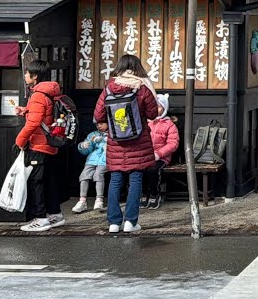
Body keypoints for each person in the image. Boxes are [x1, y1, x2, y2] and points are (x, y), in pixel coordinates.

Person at [95, 54, 161, 234]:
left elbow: (98, 114)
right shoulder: (142, 88)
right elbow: (153, 113)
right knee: (135, 179)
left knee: (115, 180)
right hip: (138, 140)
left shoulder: (109, 88)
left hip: (116, 141)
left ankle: (113, 223)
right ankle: (130, 222)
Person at [16, 60, 68, 232]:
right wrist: (25, 110)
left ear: (35, 76)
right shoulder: (50, 91)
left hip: (39, 145)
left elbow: (34, 123)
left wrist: (20, 141)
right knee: (50, 181)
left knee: (36, 182)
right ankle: (55, 215)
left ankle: (40, 218)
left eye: (27, 73)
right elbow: (44, 114)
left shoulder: (38, 94)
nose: (25, 76)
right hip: (50, 144)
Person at [143, 94, 179, 210]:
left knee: (153, 170)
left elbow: (173, 143)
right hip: (145, 155)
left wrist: (159, 154)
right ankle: (143, 194)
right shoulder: (144, 122)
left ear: (164, 108)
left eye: (158, 107)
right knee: (139, 170)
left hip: (161, 156)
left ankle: (154, 194)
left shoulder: (169, 124)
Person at [73, 121, 108, 214]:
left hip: (105, 160)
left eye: (101, 123)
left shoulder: (113, 133)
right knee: (84, 175)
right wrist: (83, 146)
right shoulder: (93, 134)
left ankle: (99, 200)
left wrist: (106, 141)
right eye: (97, 124)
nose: (99, 126)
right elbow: (87, 150)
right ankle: (82, 200)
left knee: (98, 174)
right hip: (92, 159)